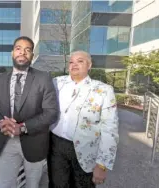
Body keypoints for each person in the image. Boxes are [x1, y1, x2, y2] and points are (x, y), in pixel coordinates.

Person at [0, 36, 58, 188]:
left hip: (35, 142)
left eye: (28, 50)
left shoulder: (43, 78)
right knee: (5, 184)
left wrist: (23, 127)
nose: (22, 53)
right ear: (12, 53)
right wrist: (0, 122)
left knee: (32, 185)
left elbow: (51, 113)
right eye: (18, 48)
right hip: (7, 142)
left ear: (32, 55)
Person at [48, 51, 119, 188]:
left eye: (80, 61)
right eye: (71, 62)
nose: (74, 65)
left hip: (87, 149)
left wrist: (102, 165)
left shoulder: (104, 90)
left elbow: (110, 129)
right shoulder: (56, 83)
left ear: (89, 65)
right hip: (56, 146)